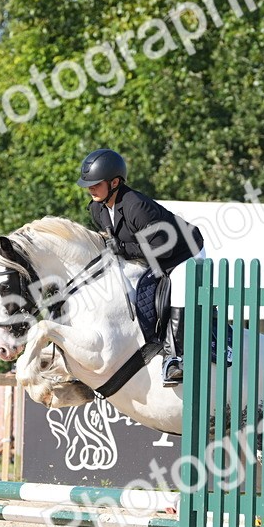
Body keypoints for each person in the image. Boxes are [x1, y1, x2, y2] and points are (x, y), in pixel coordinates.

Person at [77, 148, 205, 385]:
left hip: (183, 253)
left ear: (115, 182)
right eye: (88, 184)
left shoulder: (136, 206)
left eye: (95, 183)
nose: (90, 188)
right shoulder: (97, 208)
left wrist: (123, 248)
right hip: (149, 255)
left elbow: (161, 248)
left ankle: (177, 358)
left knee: (178, 290)